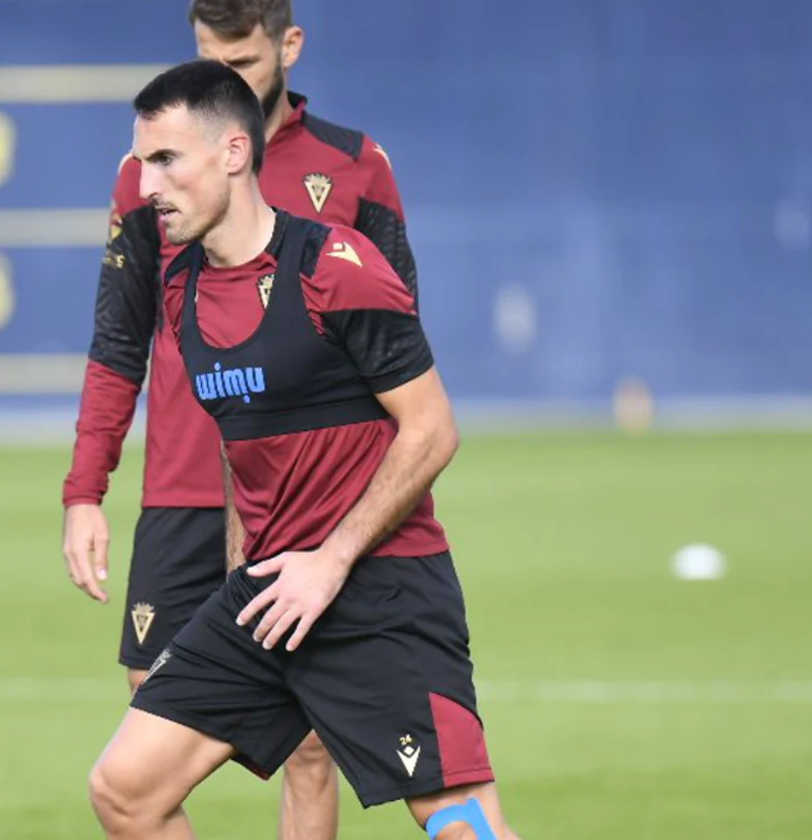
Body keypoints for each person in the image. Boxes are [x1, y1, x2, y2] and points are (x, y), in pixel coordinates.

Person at [87, 61, 522, 840]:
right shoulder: (180, 286)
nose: (146, 184)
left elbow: (432, 429)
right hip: (267, 595)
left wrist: (331, 560)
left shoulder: (337, 267)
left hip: (378, 593)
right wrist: (235, 579)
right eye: (142, 160)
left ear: (232, 153)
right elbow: (241, 446)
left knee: (461, 829)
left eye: (166, 160)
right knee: (126, 792)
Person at [63, 3, 418, 835]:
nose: (227, 77)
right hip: (183, 489)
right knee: (147, 736)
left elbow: (401, 346)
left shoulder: (356, 166)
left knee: (309, 746)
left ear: (289, 46)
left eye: (246, 60)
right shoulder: (149, 175)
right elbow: (118, 342)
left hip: (306, 499)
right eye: (208, 57)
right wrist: (86, 490)